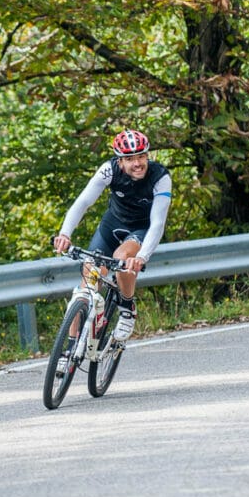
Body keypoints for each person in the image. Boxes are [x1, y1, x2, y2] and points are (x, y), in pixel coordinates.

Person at [53, 128, 173, 358]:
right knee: (88, 281)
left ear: (147, 155)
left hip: (140, 229)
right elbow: (83, 202)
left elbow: (158, 223)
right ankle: (69, 348)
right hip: (111, 226)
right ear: (120, 161)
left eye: (141, 156)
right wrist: (65, 233)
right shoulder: (108, 170)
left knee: (121, 259)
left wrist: (142, 257)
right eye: (130, 159)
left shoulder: (160, 177)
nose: (137, 163)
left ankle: (127, 307)